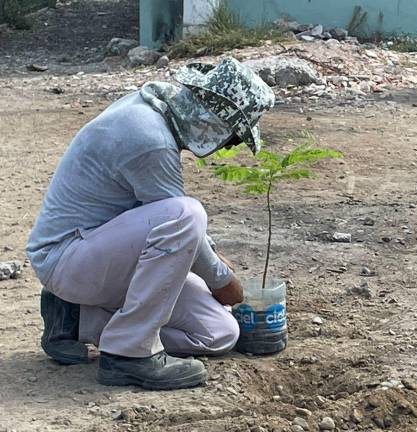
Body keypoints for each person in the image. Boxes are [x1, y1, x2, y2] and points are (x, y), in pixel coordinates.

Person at [26, 57, 275, 390]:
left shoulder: (156, 109)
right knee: (188, 214)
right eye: (231, 138)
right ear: (213, 123)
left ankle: (79, 321)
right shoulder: (148, 137)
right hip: (67, 258)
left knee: (219, 333)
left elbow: (165, 218)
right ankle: (129, 355)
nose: (224, 148)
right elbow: (177, 219)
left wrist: (213, 263)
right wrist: (222, 279)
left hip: (102, 255)